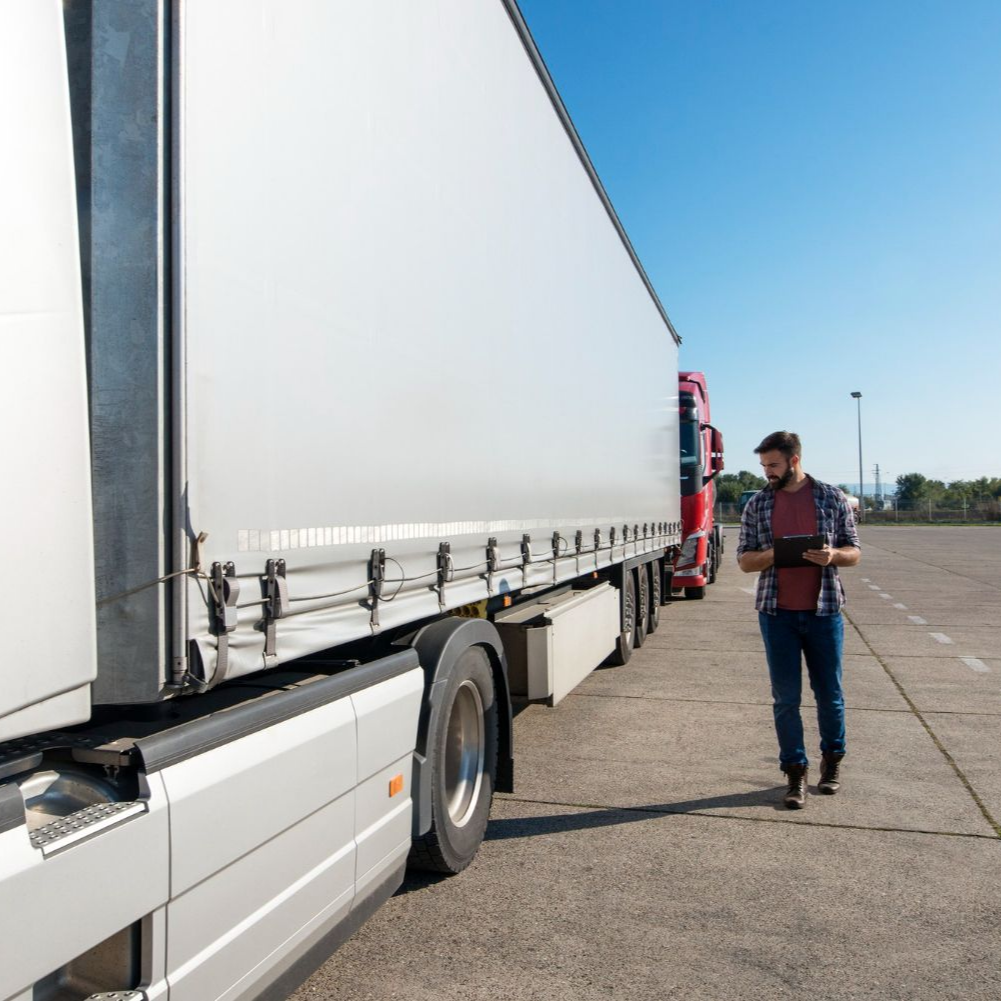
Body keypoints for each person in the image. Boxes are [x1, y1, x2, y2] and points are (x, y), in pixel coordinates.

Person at [736, 431, 861, 808]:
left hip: (824, 613)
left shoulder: (830, 497)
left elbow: (854, 551)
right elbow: (744, 561)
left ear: (794, 460)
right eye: (763, 466)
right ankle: (795, 773)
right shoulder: (758, 505)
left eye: (773, 465)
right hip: (777, 616)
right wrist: (774, 553)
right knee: (786, 699)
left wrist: (833, 556)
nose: (767, 473)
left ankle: (833, 761)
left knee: (830, 696)